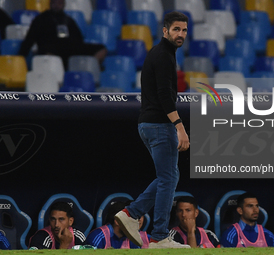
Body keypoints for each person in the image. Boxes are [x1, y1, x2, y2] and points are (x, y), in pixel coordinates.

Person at [114, 11, 190, 249]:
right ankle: (158, 236)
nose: (181, 34)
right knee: (168, 178)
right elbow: (165, 97)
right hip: (159, 125)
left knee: (169, 176)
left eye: (184, 30)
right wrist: (180, 127)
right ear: (165, 31)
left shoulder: (161, 54)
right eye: (176, 29)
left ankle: (131, 213)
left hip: (148, 124)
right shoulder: (163, 56)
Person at [18, 0, 107, 68]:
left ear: (64, 4)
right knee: (46, 52)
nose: (56, 5)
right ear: (50, 4)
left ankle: (91, 68)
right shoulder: (40, 19)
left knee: (101, 49)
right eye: (54, 2)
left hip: (70, 50)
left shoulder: (69, 20)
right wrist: (20, 58)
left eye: (59, 3)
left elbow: (79, 40)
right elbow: (29, 40)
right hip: (51, 50)